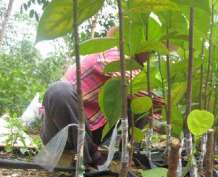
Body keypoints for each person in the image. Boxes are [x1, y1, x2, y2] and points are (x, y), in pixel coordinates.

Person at [40, 28, 163, 168]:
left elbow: (149, 101)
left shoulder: (137, 68)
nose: (150, 55)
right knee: (58, 91)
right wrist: (172, 107)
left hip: (92, 131)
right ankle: (89, 157)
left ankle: (127, 152)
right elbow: (138, 88)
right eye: (150, 49)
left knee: (142, 105)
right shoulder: (114, 53)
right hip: (62, 128)